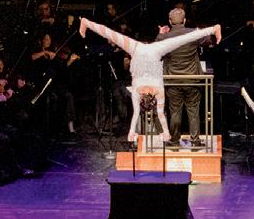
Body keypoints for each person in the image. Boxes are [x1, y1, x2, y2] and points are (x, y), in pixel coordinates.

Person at [77, 16, 221, 143]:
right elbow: (136, 115)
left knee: (183, 39)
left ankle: (213, 29)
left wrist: (165, 132)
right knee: (111, 34)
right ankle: (86, 22)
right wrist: (131, 132)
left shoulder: (158, 92)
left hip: (152, 50)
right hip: (139, 49)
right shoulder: (137, 93)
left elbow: (160, 115)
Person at [157, 8, 214, 147]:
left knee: (175, 112)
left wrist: (161, 34)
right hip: (192, 80)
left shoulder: (165, 37)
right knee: (193, 111)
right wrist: (200, 31)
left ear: (170, 22)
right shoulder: (192, 33)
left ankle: (174, 141)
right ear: (184, 20)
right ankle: (195, 141)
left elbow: (156, 51)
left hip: (173, 81)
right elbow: (209, 41)